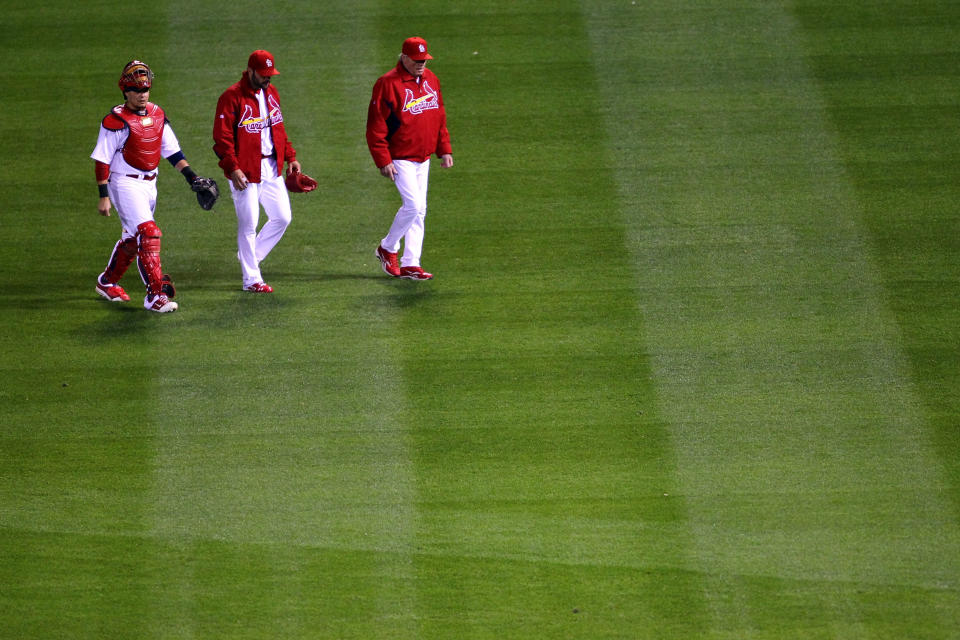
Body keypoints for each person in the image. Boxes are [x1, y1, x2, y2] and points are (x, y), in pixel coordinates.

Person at [91, 59, 216, 313]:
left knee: (132, 238)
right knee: (149, 233)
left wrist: (192, 178)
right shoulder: (116, 121)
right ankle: (155, 295)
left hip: (150, 184)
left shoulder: (157, 114)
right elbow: (102, 160)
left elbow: (172, 152)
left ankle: (107, 282)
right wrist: (104, 196)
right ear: (125, 92)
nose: (142, 95)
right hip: (124, 184)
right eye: (137, 91)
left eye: (145, 90)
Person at [213, 50, 303, 293]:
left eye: (270, 74)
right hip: (245, 170)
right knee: (249, 224)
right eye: (263, 74)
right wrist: (233, 169)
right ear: (250, 71)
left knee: (282, 217)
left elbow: (280, 128)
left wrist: (291, 157)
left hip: (272, 168)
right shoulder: (231, 97)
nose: (268, 78)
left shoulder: (271, 93)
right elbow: (222, 139)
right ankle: (251, 279)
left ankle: (250, 258)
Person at [367, 36, 453, 280]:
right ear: (403, 57)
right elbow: (375, 126)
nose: (421, 64)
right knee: (413, 206)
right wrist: (383, 159)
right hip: (400, 157)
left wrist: (444, 148)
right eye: (416, 60)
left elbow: (439, 116)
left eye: (424, 60)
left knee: (420, 210)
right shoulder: (387, 84)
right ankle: (388, 247)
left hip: (423, 156)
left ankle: (411, 262)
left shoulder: (431, 79)